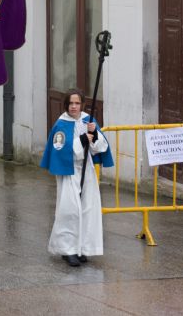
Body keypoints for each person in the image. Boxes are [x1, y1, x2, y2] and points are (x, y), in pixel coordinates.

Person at [40, 89, 113, 267]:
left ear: (82, 104)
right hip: (69, 172)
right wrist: (82, 139)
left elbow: (100, 147)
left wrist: (94, 133)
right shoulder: (61, 124)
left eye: (77, 103)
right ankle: (68, 249)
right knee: (69, 210)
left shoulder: (88, 121)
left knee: (88, 208)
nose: (74, 107)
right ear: (66, 105)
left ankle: (83, 248)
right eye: (71, 103)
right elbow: (60, 149)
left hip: (86, 170)